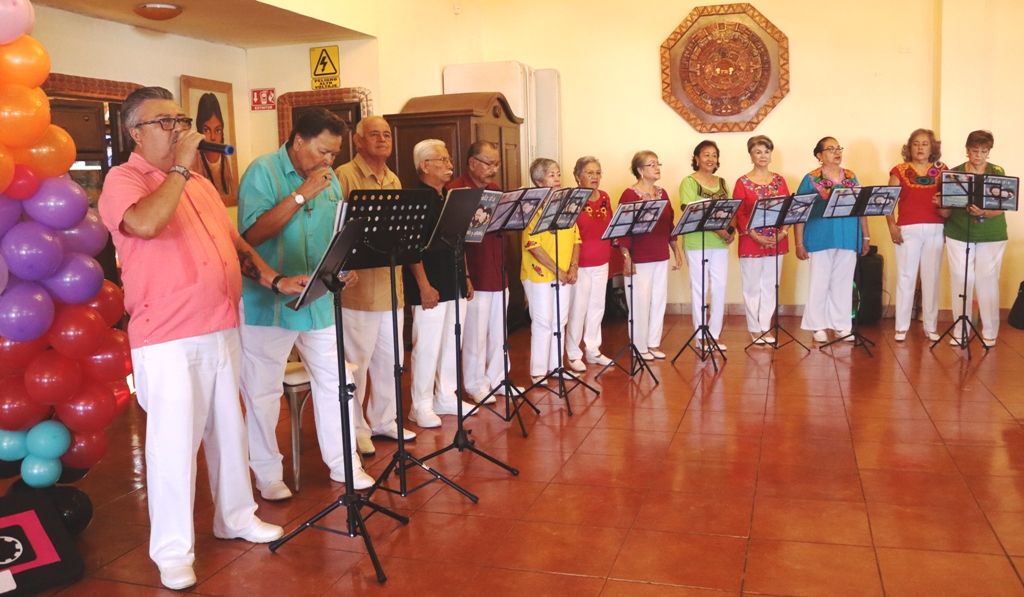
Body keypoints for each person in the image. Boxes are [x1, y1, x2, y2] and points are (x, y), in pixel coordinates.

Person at [97, 86, 304, 590]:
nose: (179, 130)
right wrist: (180, 170)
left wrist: (274, 279)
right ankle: (172, 550)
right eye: (165, 122)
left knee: (227, 432)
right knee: (173, 446)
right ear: (135, 133)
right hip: (167, 339)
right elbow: (144, 224)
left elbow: (233, 245)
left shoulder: (200, 185)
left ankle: (235, 515)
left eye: (180, 119)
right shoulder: (122, 180)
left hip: (220, 326)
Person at [237, 108, 372, 502]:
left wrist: (343, 266)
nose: (329, 161)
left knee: (337, 382)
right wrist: (300, 194)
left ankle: (344, 464)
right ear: (298, 140)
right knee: (262, 391)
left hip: (319, 298)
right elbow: (251, 235)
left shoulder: (329, 181)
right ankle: (266, 473)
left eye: (334, 154)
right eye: (323, 151)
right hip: (270, 300)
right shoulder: (263, 171)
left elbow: (334, 231)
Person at [335, 116, 417, 454]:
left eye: (387, 134)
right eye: (374, 134)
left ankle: (385, 419)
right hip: (359, 291)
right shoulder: (344, 176)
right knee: (358, 363)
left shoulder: (393, 178)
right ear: (357, 141)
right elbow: (336, 230)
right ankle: (357, 428)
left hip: (391, 285)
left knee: (390, 360)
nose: (382, 139)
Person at [404, 139, 477, 427]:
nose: (450, 165)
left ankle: (446, 394)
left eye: (448, 159)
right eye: (442, 160)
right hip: (430, 284)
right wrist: (423, 285)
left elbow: (459, 241)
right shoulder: (415, 199)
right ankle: (420, 404)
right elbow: (412, 247)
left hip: (454, 279)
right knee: (427, 345)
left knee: (451, 341)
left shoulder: (449, 196)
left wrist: (466, 276)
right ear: (425, 165)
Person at [449, 141, 520, 403]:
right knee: (475, 333)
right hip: (475, 272)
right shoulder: (456, 190)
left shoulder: (495, 190)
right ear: (472, 163)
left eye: (497, 164)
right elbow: (455, 237)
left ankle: (499, 377)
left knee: (497, 329)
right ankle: (475, 382)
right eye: (488, 163)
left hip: (498, 268)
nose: (493, 169)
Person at [794, 137, 870, 343]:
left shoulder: (851, 177)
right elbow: (799, 211)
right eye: (830, 149)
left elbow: (862, 206)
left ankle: (841, 325)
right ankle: (817, 325)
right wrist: (799, 242)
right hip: (819, 236)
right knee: (819, 282)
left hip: (847, 235)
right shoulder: (810, 179)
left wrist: (865, 235)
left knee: (843, 282)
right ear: (819, 155)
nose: (836, 152)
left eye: (838, 148)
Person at [938, 130, 1008, 347]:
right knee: (961, 278)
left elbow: (1003, 205)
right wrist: (941, 201)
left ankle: (990, 330)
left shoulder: (997, 171)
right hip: (959, 231)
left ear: (989, 152)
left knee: (987, 279)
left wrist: (983, 213)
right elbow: (945, 213)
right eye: (974, 150)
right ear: (967, 150)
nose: (978, 155)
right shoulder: (954, 173)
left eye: (983, 151)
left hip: (991, 233)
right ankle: (961, 330)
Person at [522, 158, 580, 383]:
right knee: (543, 321)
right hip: (539, 274)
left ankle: (556, 366)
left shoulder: (566, 205)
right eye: (551, 174)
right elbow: (532, 245)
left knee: (560, 320)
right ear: (538, 181)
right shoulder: (531, 208)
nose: (557, 178)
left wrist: (573, 267)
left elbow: (576, 238)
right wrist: (558, 271)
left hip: (565, 272)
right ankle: (538, 371)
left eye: (558, 173)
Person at [618, 151, 681, 360]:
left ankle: (653, 343)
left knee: (658, 300)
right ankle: (639, 345)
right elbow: (622, 230)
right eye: (651, 165)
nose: (657, 168)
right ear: (640, 170)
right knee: (639, 302)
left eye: (657, 163)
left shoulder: (662, 193)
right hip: (639, 257)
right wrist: (626, 258)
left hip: (660, 255)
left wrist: (676, 251)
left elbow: (669, 224)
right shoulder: (629, 195)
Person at [887, 128, 947, 342]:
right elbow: (888, 203)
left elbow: (949, 201)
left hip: (936, 228)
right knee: (906, 276)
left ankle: (930, 326)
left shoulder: (942, 170)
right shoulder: (899, 170)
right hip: (907, 229)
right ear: (909, 147)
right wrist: (892, 226)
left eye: (925, 143)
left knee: (931, 278)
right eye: (916, 143)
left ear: (932, 147)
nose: (920, 147)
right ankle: (901, 327)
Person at [732, 135, 790, 345]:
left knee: (770, 285)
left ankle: (766, 326)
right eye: (758, 152)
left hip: (777, 240)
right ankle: (754, 328)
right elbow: (739, 213)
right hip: (751, 240)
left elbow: (789, 209)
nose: (763, 155)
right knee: (752, 286)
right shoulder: (742, 182)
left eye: (766, 151)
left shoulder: (780, 180)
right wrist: (755, 235)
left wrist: (782, 232)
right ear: (751, 155)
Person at [679, 141, 733, 350]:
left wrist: (730, 232)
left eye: (714, 155)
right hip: (696, 242)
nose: (710, 159)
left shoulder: (722, 182)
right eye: (705, 155)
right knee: (700, 288)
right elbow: (693, 211)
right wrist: (720, 230)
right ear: (696, 158)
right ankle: (701, 336)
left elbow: (729, 210)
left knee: (719, 287)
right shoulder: (689, 182)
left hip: (719, 243)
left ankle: (714, 334)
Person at [565, 156, 613, 368]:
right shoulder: (571, 199)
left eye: (598, 172)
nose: (595, 177)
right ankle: (574, 353)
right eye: (589, 173)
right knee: (578, 309)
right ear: (578, 177)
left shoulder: (604, 197)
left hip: (602, 261)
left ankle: (592, 349)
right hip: (580, 263)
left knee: (597, 306)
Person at [193, 92, 235, 206]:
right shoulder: (193, 160)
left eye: (218, 130)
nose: (212, 137)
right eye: (206, 130)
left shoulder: (225, 158)